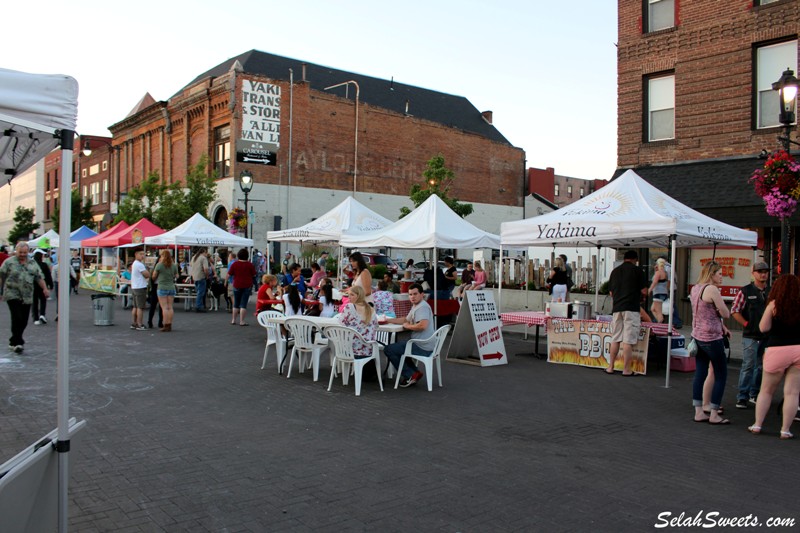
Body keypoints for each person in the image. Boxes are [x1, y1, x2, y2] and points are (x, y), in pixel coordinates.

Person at [748, 274, 800, 439]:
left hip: (776, 349)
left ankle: (757, 425)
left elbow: (763, 328)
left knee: (766, 390)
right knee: (792, 393)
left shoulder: (773, 304)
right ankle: (785, 430)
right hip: (798, 349)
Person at [690, 261, 731, 424]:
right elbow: (726, 313)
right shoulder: (712, 289)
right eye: (719, 273)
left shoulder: (695, 288)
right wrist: (720, 318)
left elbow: (702, 313)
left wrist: (721, 325)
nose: (722, 276)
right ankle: (714, 413)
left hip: (697, 336)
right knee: (721, 374)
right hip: (712, 338)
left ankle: (698, 411)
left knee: (700, 373)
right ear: (712, 274)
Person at [731, 261, 771, 410]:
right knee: (748, 365)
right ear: (753, 273)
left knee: (761, 367)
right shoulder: (745, 291)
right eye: (760, 271)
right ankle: (742, 397)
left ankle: (755, 394)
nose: (763, 274)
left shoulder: (771, 291)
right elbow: (735, 310)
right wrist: (747, 324)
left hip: (767, 337)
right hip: (750, 336)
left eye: (765, 271)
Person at [0, 243, 50, 352]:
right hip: (12, 293)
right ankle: (18, 342)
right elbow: (1, 276)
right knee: (17, 317)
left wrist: (45, 289)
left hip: (27, 295)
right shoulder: (9, 262)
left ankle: (14, 339)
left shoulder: (33, 263)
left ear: (28, 252)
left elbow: (39, 277)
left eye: (25, 252)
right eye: (20, 252)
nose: (22, 254)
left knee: (24, 320)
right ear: (16, 251)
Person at [384, 283, 436, 387]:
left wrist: (407, 326)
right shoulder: (417, 306)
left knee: (389, 349)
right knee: (399, 348)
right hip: (423, 344)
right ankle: (414, 372)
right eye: (410, 294)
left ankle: (410, 374)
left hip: (422, 346)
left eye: (415, 294)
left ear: (422, 294)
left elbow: (422, 325)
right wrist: (388, 320)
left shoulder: (422, 307)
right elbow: (405, 320)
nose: (412, 296)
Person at [606, 250, 648, 376]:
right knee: (628, 340)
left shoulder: (615, 271)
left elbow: (611, 293)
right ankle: (626, 369)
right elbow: (645, 291)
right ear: (635, 259)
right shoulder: (638, 271)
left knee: (615, 338)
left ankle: (610, 367)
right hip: (631, 308)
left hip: (617, 308)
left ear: (624, 258)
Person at [337, 285, 378, 357]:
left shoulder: (349, 307)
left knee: (335, 338)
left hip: (350, 349)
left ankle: (341, 366)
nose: (349, 297)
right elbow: (375, 326)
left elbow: (341, 324)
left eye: (352, 295)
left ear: (359, 296)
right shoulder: (371, 309)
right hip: (368, 349)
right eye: (348, 295)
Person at [227, 248, 256, 326]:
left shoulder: (235, 264)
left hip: (236, 284)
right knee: (243, 304)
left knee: (236, 303)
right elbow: (254, 275)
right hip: (247, 285)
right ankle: (242, 321)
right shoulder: (250, 265)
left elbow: (229, 274)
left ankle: (233, 320)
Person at [153, 250, 178, 332]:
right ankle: (169, 324)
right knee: (170, 307)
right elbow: (177, 276)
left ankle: (165, 324)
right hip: (171, 287)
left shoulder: (159, 265)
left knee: (164, 308)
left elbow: (154, 276)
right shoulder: (174, 265)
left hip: (162, 287)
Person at [130, 249, 150, 331]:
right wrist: (148, 271)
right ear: (136, 254)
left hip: (134, 286)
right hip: (140, 287)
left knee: (135, 306)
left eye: (143, 254)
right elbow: (147, 275)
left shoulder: (134, 263)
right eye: (141, 254)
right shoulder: (139, 265)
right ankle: (140, 324)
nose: (142, 256)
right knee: (140, 307)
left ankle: (134, 323)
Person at [31, 249, 53, 325]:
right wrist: (51, 285)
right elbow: (48, 275)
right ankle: (42, 314)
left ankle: (35, 318)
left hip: (33, 285)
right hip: (43, 285)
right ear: (41, 257)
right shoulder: (44, 265)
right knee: (43, 300)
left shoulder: (31, 265)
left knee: (34, 301)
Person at [648, 258, 669, 323]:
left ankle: (661, 324)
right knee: (653, 309)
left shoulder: (658, 273)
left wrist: (649, 290)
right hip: (663, 292)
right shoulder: (665, 273)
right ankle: (659, 322)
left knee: (658, 311)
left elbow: (654, 282)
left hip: (658, 293)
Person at [190, 247, 210, 312]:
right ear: (204, 252)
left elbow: (191, 265)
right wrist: (207, 276)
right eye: (206, 252)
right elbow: (206, 269)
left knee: (198, 292)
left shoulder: (194, 257)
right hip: (201, 277)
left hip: (194, 277)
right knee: (201, 293)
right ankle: (199, 306)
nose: (207, 254)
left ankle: (199, 305)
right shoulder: (203, 258)